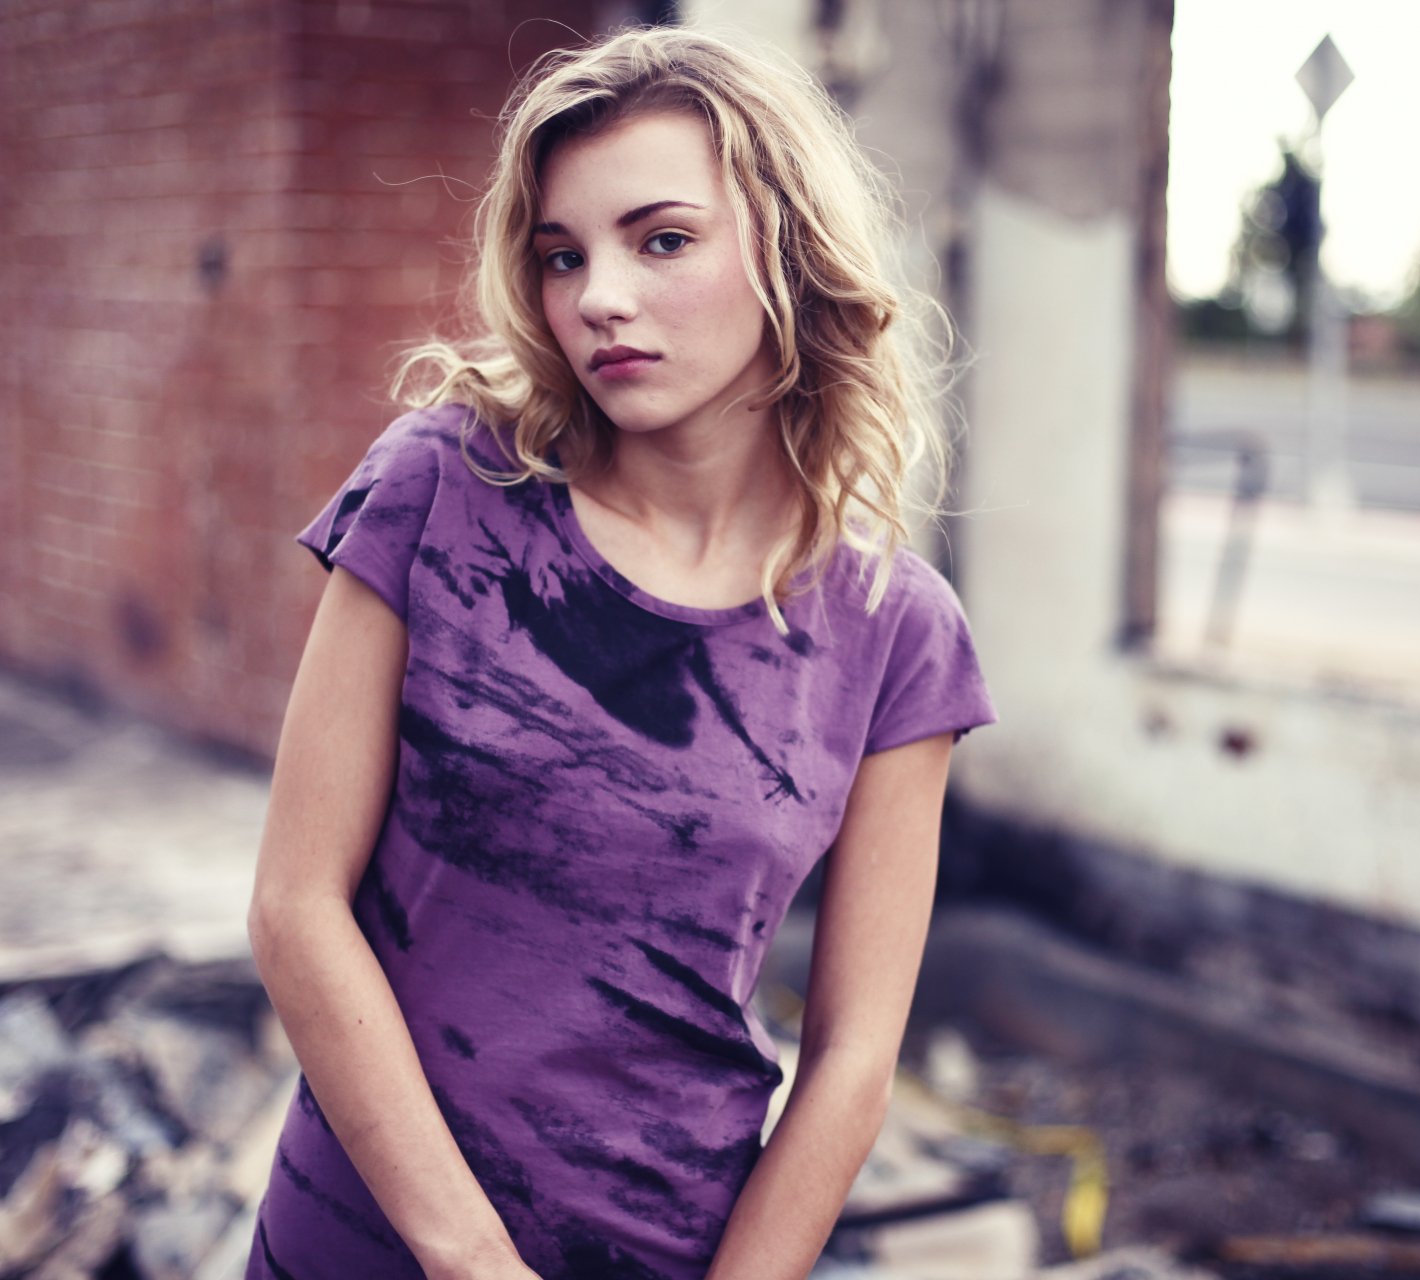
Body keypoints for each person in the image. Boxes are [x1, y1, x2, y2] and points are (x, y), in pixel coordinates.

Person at [244, 23, 997, 1280]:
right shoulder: (444, 486)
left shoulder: (895, 633)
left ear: (787, 252)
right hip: (365, 1234)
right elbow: (295, 903)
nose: (598, 296)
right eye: (561, 254)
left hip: (663, 1244)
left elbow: (856, 1055)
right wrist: (471, 1258)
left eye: (661, 240)